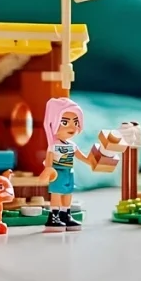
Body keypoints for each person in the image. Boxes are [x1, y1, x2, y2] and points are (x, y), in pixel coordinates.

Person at [38, 97, 95, 232]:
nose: (72, 127)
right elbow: (49, 161)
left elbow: (83, 157)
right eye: (65, 122)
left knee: (68, 194)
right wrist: (48, 170)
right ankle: (54, 217)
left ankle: (65, 215)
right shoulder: (53, 146)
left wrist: (93, 161)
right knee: (56, 194)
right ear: (53, 123)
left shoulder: (72, 145)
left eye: (75, 122)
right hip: (57, 172)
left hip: (69, 172)